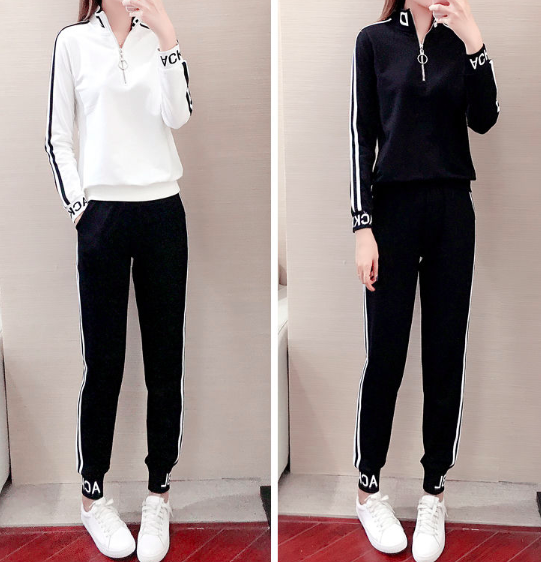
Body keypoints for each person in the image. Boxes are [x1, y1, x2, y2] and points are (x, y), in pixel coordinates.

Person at [349, 0, 498, 560]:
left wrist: (475, 39)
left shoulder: (460, 43)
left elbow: (485, 117)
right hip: (391, 215)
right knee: (385, 357)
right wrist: (362, 226)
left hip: (452, 211)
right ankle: (368, 489)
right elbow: (362, 135)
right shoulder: (373, 41)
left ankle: (435, 491)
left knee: (444, 356)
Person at [44, 0, 192, 560]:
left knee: (165, 361)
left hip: (163, 212)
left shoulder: (159, 39)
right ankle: (93, 497)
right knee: (103, 363)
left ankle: (159, 495)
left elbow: (179, 115)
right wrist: (80, 209)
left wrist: (168, 35)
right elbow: (57, 137)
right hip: (102, 217)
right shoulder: (73, 42)